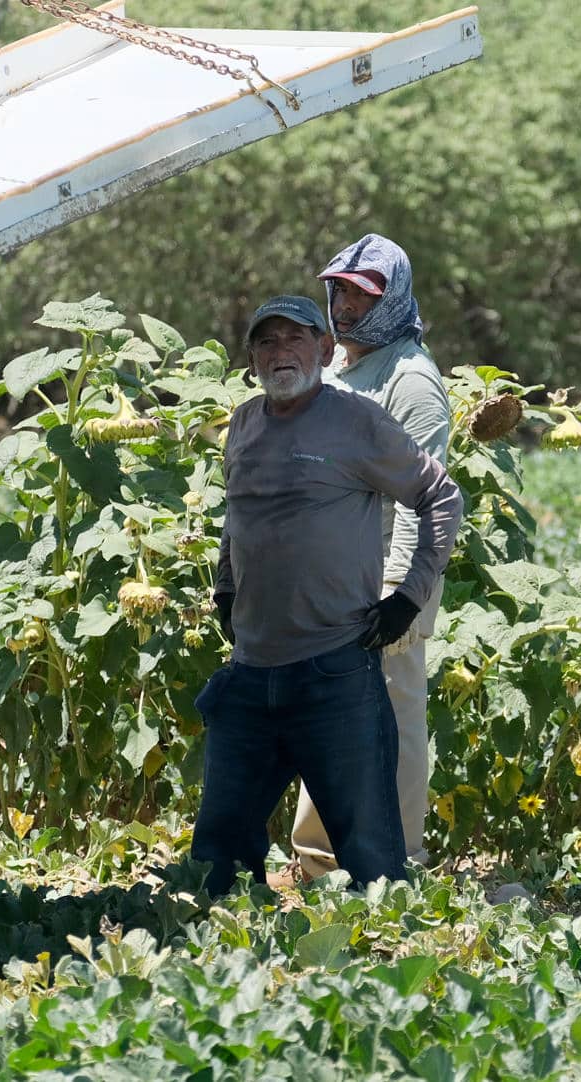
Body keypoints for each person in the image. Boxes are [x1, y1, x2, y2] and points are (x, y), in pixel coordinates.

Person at [192, 295, 463, 893]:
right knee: (214, 865)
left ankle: (388, 972)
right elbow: (238, 512)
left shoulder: (356, 421)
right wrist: (225, 584)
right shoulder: (244, 422)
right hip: (251, 672)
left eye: (296, 338)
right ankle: (230, 967)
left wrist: (408, 596)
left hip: (334, 672)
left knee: (374, 870)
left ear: (324, 349)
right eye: (267, 341)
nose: (280, 352)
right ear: (252, 357)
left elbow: (439, 496)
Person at [278, 233, 452, 887]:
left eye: (362, 294)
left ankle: (392, 864)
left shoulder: (412, 382)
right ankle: (322, 862)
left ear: (392, 298)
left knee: (390, 718)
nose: (346, 306)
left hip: (387, 579)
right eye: (340, 291)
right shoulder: (344, 366)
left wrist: (399, 598)